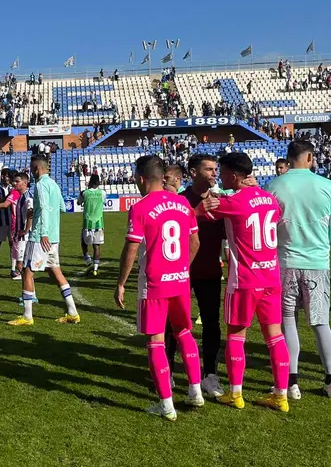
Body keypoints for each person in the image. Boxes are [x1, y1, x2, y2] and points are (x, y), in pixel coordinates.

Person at [198, 152, 291, 412]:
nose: (220, 177)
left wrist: (211, 194)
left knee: (236, 337)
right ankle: (281, 395)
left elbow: (205, 209)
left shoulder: (233, 202)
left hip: (244, 281)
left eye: (223, 173)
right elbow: (275, 213)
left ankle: (236, 392)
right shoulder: (270, 200)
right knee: (275, 336)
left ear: (235, 176)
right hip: (271, 277)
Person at [115, 156, 203, 421]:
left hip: (154, 283)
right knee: (184, 331)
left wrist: (120, 283)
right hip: (180, 280)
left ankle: (166, 405)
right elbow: (195, 242)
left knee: (155, 340)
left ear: (141, 179)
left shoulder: (140, 207)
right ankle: (195, 391)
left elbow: (131, 249)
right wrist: (182, 268)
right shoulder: (183, 203)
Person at [266, 140, 331, 400]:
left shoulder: (275, 186)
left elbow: (270, 229)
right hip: (317, 263)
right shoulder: (328, 186)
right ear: (310, 157)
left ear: (288, 159)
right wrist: (318, 243)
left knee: (288, 321)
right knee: (321, 322)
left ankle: (292, 383)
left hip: (286, 262)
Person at [164, 154, 225, 398]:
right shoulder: (180, 201)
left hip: (210, 271)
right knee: (173, 324)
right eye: (208, 169)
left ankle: (210, 373)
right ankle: (166, 368)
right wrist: (196, 212)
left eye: (215, 168)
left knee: (212, 324)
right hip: (181, 273)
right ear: (192, 173)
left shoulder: (220, 200)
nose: (214, 173)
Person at [9, 155, 79, 325]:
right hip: (54, 238)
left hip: (41, 237)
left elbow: (46, 209)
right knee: (55, 271)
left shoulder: (40, 185)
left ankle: (27, 316)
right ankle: (72, 312)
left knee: (27, 271)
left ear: (35, 169)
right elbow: (62, 208)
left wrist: (43, 232)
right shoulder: (54, 184)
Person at [0, 168, 18, 277]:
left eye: (8, 176)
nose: (7, 178)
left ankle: (13, 269)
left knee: (13, 246)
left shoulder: (12, 188)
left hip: (12, 222)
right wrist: (9, 197)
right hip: (1, 222)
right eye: (5, 176)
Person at [78, 174, 105, 275]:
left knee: (84, 244)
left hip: (87, 224)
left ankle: (89, 261)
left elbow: (78, 203)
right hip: (99, 224)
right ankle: (95, 269)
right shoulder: (102, 193)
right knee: (96, 246)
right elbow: (104, 202)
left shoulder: (84, 193)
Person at [11, 171, 33, 281]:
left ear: (25, 183)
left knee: (21, 264)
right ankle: (28, 292)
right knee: (21, 264)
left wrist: (26, 230)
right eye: (14, 181)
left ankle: (29, 293)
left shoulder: (27, 197)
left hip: (24, 236)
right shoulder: (21, 197)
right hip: (20, 234)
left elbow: (31, 213)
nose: (14, 183)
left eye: (17, 181)